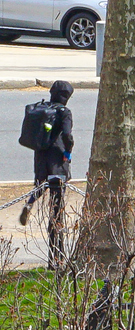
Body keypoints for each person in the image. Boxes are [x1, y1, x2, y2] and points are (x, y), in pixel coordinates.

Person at [18, 80, 74, 227]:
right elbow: (67, 135)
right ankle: (55, 225)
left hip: (41, 153)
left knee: (42, 183)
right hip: (57, 156)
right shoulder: (64, 112)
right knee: (57, 191)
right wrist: (68, 152)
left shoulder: (42, 108)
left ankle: (30, 203)